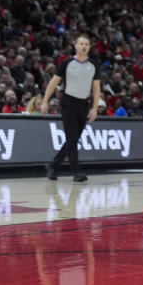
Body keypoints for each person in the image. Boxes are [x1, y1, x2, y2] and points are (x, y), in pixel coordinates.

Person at [41, 34, 101, 182]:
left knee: (73, 139)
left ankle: (53, 165)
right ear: (76, 46)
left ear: (89, 47)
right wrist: (45, 101)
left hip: (83, 104)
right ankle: (76, 171)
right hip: (68, 103)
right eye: (81, 44)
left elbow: (96, 88)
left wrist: (94, 108)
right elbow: (52, 83)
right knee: (72, 138)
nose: (84, 46)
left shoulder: (93, 65)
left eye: (86, 44)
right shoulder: (66, 63)